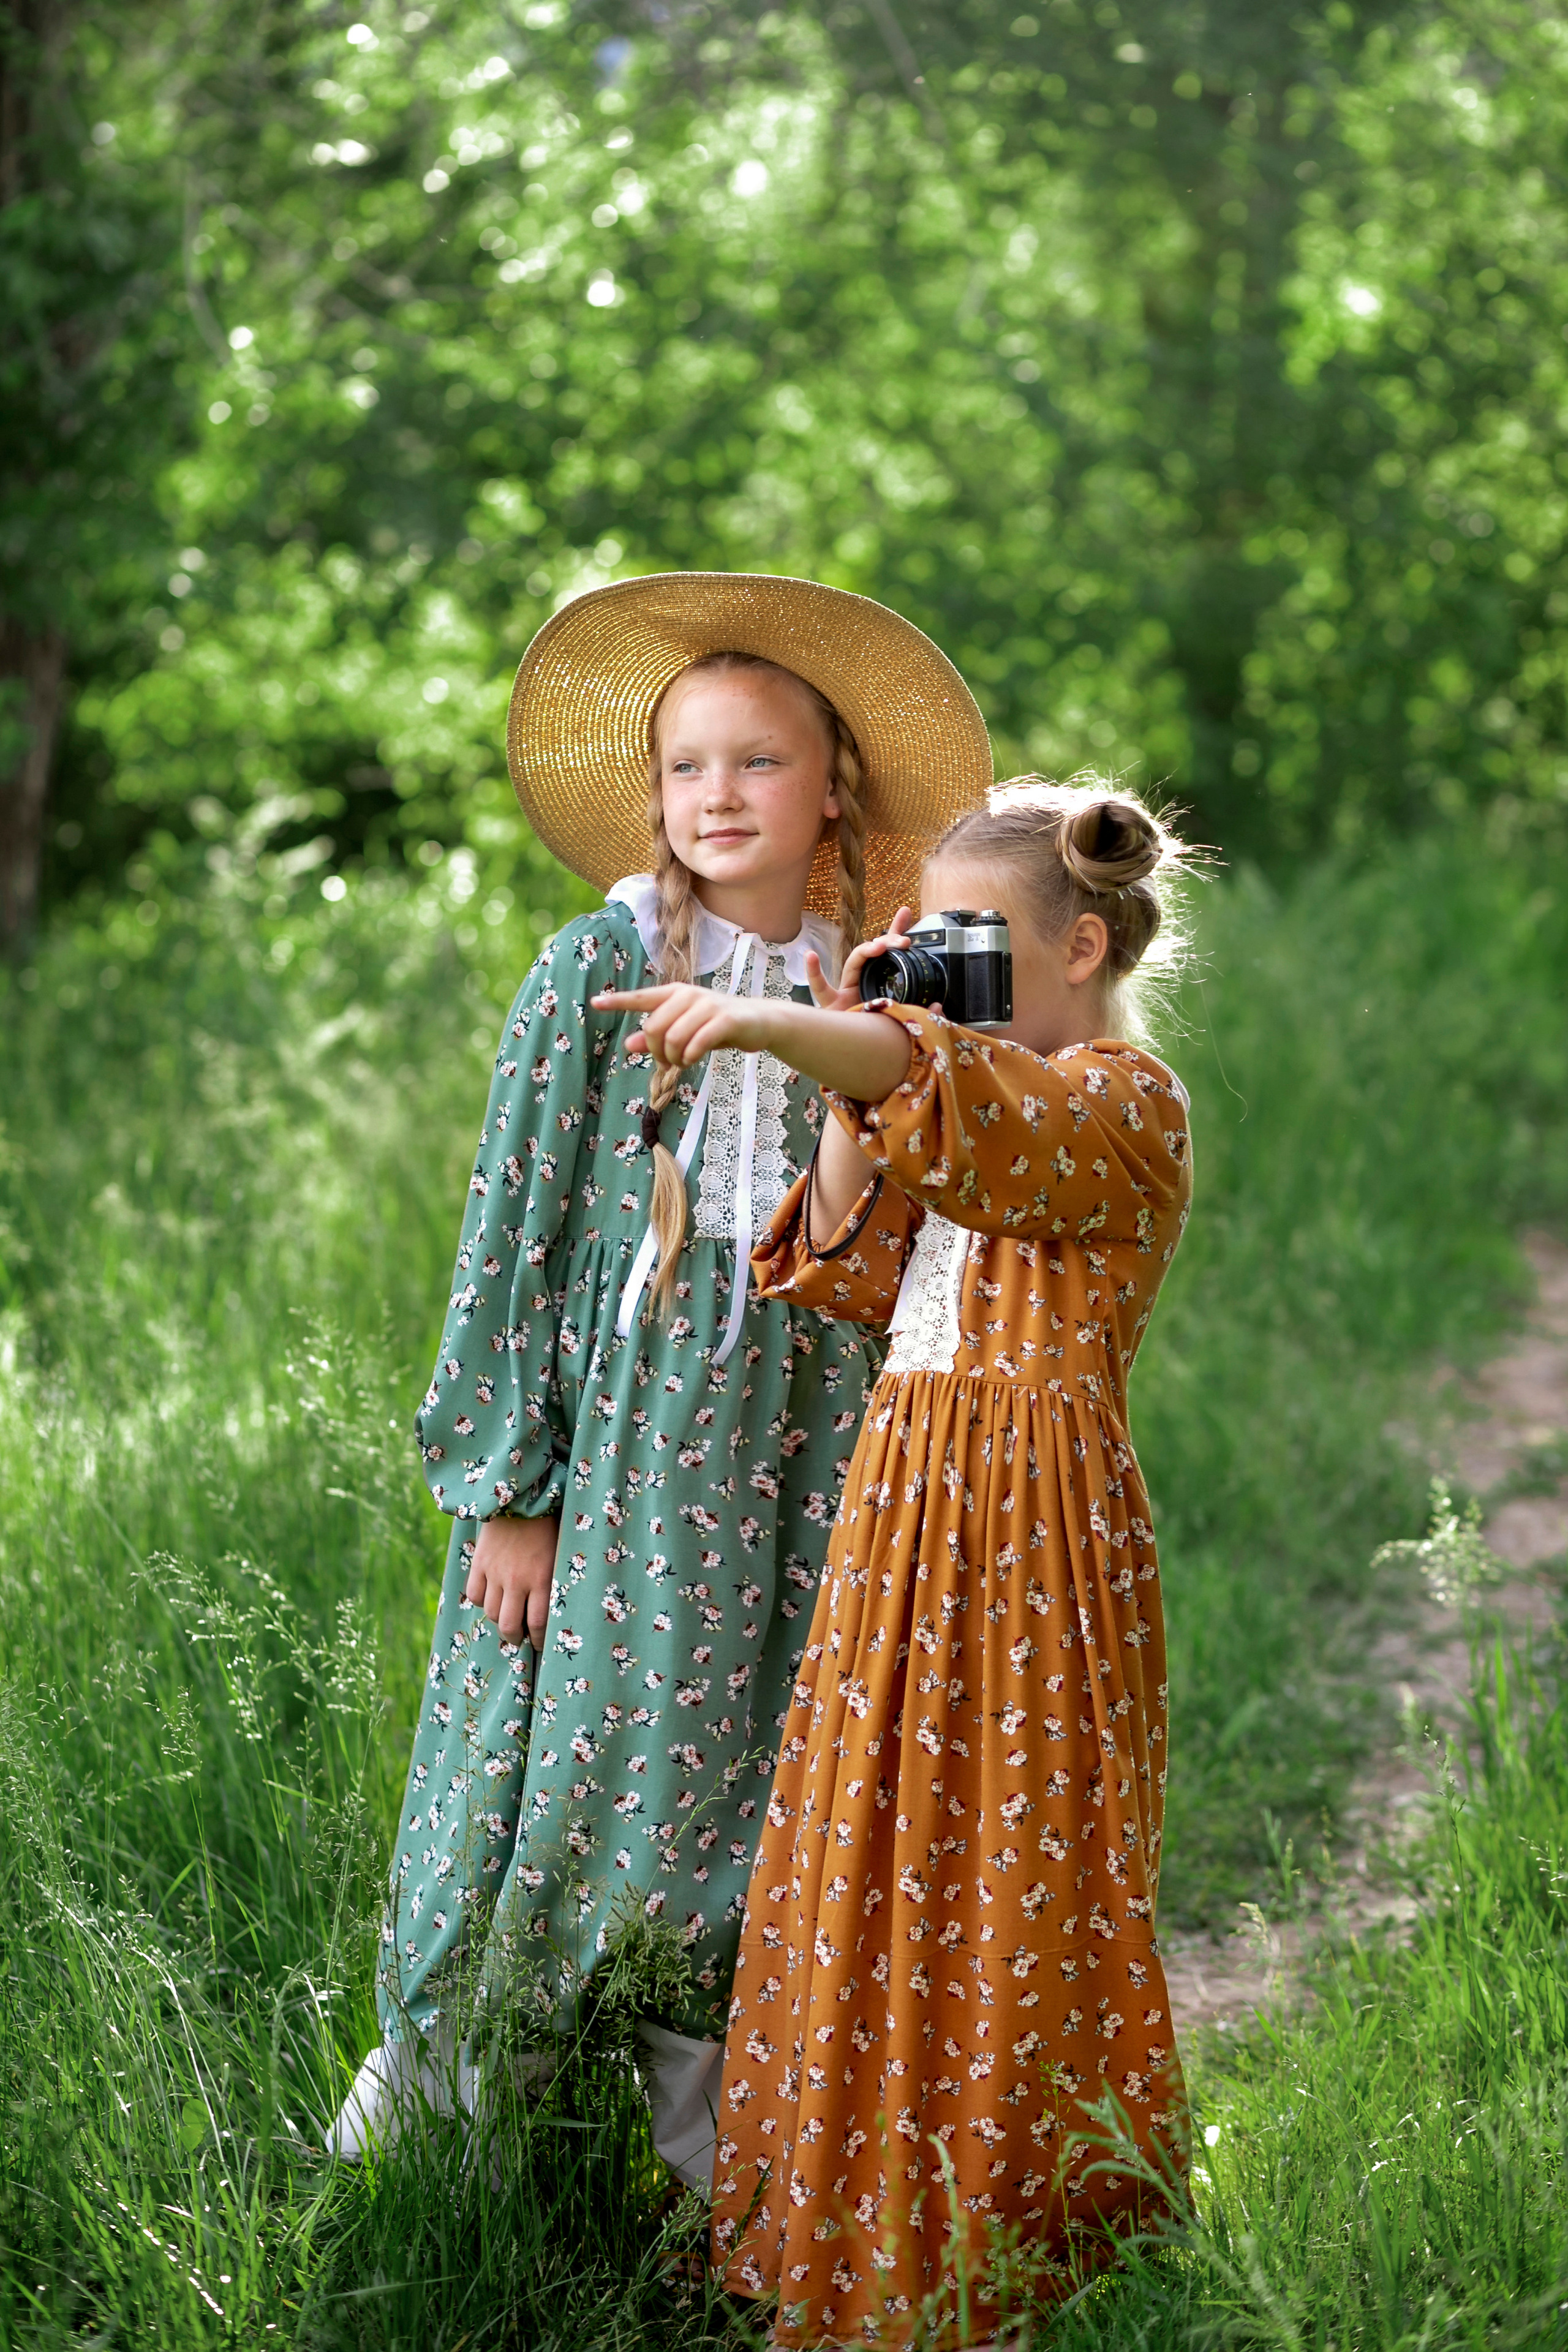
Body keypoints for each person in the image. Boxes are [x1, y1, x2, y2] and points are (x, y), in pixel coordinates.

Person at [327, 572, 993, 2183]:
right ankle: (442, 2132)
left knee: (768, 1761)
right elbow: (515, 1233)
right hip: (632, 1444)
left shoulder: (871, 984)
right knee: (580, 1754)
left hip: (815, 1436)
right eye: (687, 764)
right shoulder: (595, 966)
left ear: (831, 785)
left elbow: (919, 1221)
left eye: (759, 760)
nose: (719, 794)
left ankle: (731, 2160)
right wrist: (512, 1488)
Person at [597, 777, 1196, 2340]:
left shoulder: (1121, 1103)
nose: (940, 971)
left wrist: (787, 1029)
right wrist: (845, 1068)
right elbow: (842, 1262)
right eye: (928, 940)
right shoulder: (949, 1098)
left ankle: (1011, 2241)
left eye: (969, 941)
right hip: (904, 1513)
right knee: (865, 1853)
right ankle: (853, 2229)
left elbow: (988, 1126)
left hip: (1029, 1530)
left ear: (1079, 947)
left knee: (1010, 1857)